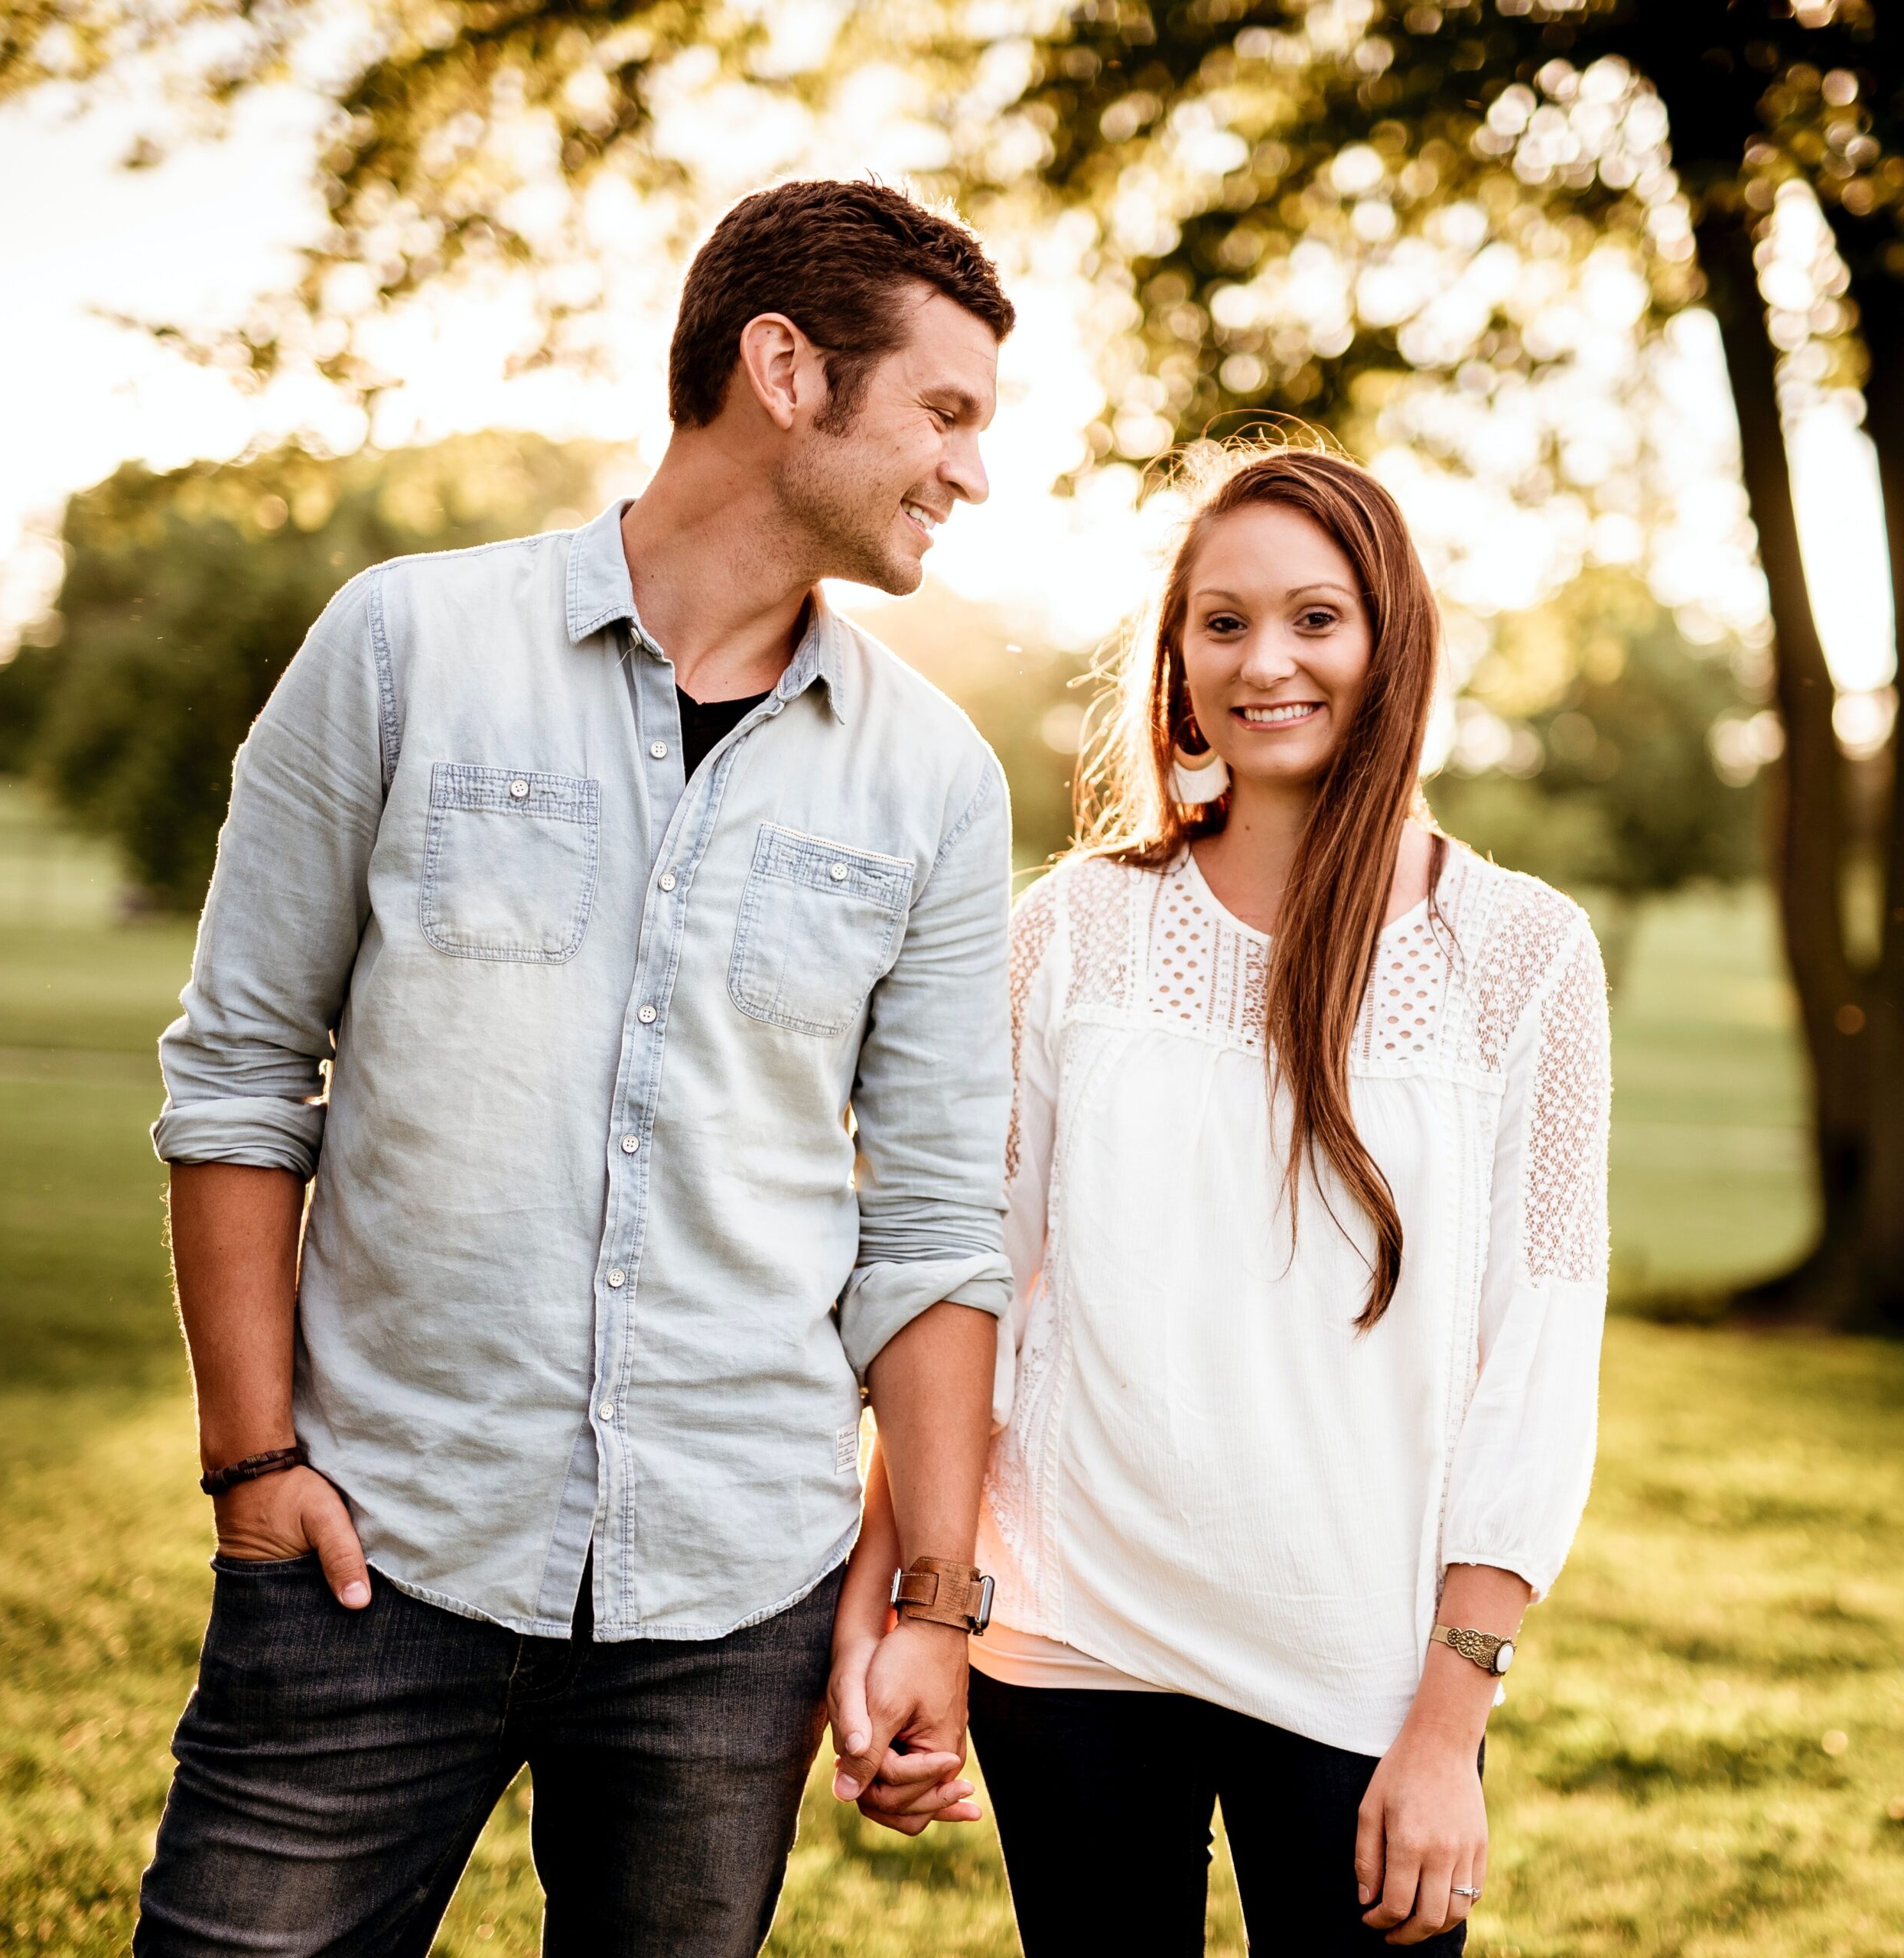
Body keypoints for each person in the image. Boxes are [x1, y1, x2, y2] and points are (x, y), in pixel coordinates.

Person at [137, 178, 1020, 1958]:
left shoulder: (932, 779)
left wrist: (931, 1595)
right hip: (369, 1548)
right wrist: (252, 1464)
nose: (968, 472)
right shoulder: (403, 647)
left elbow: (931, 1213)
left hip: (731, 1597)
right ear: (783, 368)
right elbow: (240, 1076)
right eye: (943, 410)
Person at [830, 443, 1611, 1950]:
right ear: (1176, 658)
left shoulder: (1519, 952)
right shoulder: (1067, 931)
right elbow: (971, 1286)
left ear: (1388, 644)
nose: (1268, 661)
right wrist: (915, 1605)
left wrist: (1449, 1717)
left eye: (1315, 618)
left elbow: (1540, 1351)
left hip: (1359, 1668)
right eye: (1223, 620)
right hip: (1068, 1641)